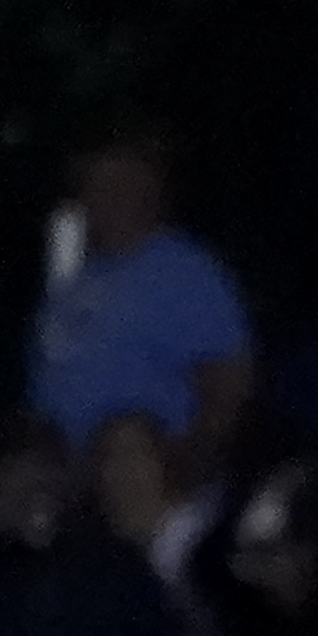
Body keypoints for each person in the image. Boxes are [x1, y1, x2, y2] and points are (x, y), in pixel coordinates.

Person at [25, 131, 252, 458]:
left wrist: (186, 469)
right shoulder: (72, 278)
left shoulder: (183, 270)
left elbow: (230, 383)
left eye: (124, 184)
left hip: (141, 480)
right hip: (62, 478)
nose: (111, 197)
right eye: (98, 185)